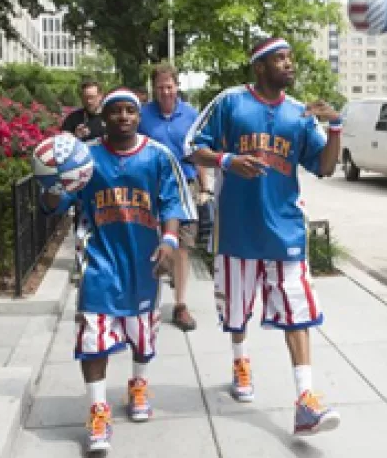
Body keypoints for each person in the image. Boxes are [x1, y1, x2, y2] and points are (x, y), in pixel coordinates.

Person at [184, 37, 343, 436]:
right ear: (260, 66)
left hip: (285, 231)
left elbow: (323, 167)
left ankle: (306, 401)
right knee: (237, 314)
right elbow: (191, 147)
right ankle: (241, 360)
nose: (289, 64)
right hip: (237, 231)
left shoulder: (299, 113)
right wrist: (227, 160)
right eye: (280, 59)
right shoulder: (230, 103)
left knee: (298, 313)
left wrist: (336, 126)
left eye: (290, 58)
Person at [39, 87, 196, 452]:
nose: (123, 116)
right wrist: (49, 182)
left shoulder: (157, 156)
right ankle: (98, 409)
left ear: (138, 117)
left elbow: (172, 204)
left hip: (144, 262)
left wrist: (170, 242)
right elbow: (58, 202)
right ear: (104, 117)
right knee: (93, 339)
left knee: (143, 338)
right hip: (101, 261)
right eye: (116, 111)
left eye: (130, 111)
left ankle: (139, 385)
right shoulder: (86, 158)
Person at [139, 63, 210, 332]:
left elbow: (198, 152)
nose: (166, 92)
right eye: (160, 87)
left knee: (183, 246)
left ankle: (180, 304)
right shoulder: (144, 116)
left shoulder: (190, 114)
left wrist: (204, 187)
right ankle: (148, 300)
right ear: (154, 89)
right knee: (152, 243)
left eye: (170, 86)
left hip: (184, 187)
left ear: (177, 86)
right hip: (151, 187)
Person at [60, 80, 107, 282]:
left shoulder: (110, 117)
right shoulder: (74, 119)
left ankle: (103, 263)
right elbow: (61, 149)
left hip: (106, 178)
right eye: (86, 97)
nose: (89, 100)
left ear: (100, 96)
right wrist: (74, 138)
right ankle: (80, 265)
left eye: (93, 96)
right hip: (83, 181)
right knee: (81, 222)